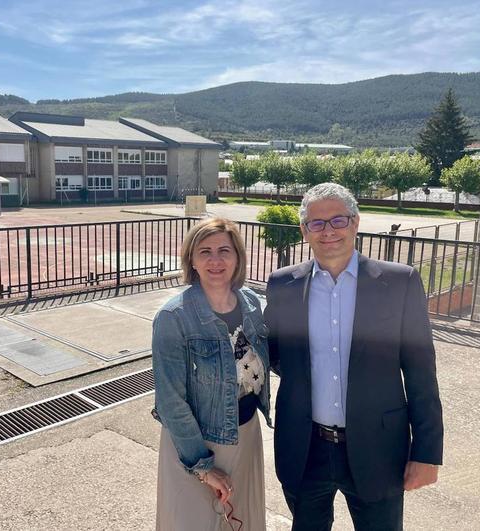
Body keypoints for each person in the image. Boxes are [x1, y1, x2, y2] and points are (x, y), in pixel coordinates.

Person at [265, 183, 444, 531]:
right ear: (304, 230)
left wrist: (426, 452)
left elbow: (422, 372)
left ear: (355, 222)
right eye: (316, 223)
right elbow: (273, 353)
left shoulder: (399, 282)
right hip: (305, 449)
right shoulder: (282, 284)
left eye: (338, 220)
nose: (328, 231)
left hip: (378, 450)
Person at [152, 217, 272, 531]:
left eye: (224, 250)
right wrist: (204, 467)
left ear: (238, 257)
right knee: (194, 521)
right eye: (204, 251)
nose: (215, 260)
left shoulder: (251, 304)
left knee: (241, 519)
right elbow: (170, 401)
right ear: (191, 259)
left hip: (246, 434)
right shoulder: (173, 316)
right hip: (195, 444)